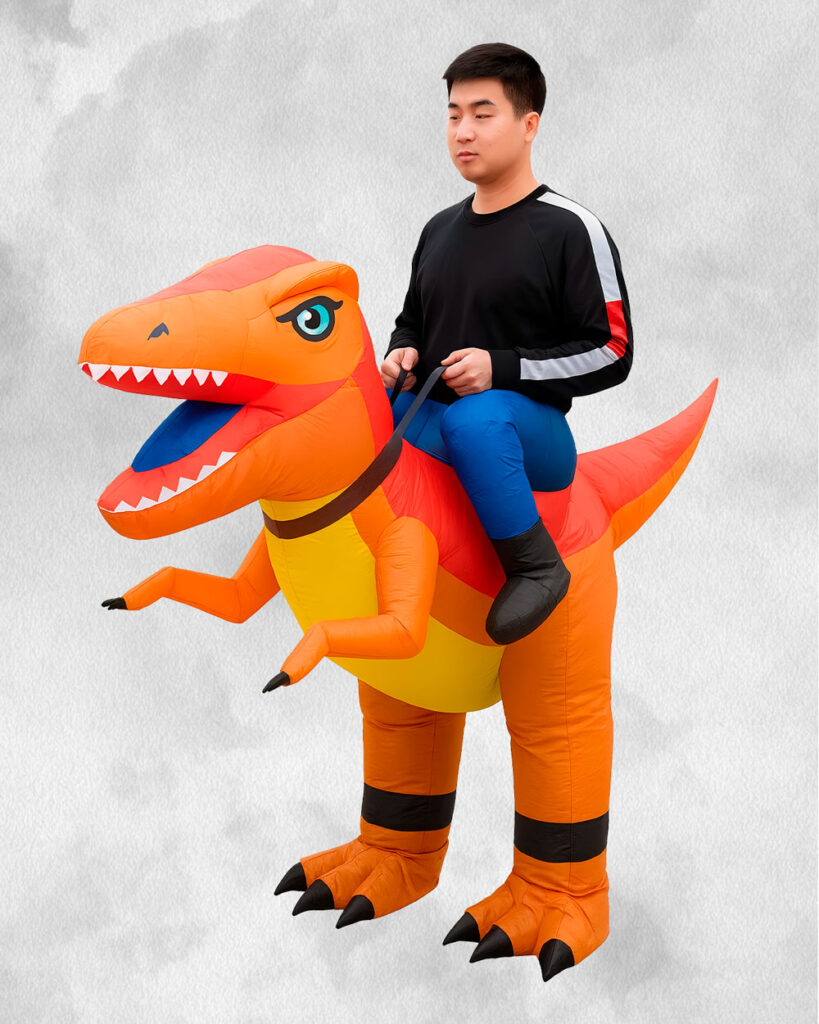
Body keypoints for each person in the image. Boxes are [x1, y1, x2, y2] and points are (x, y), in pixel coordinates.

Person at [381, 43, 633, 645]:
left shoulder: (570, 229)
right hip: (434, 413)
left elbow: (613, 350)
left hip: (528, 432)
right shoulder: (438, 229)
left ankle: (536, 566)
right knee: (366, 407)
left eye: (482, 114)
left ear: (528, 125)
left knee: (474, 418)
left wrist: (502, 369)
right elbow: (412, 319)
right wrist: (402, 353)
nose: (463, 131)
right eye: (453, 115)